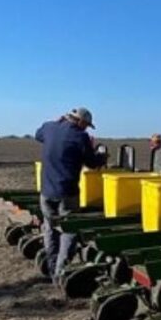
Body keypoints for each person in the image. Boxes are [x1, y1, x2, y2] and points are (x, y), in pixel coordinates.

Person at [34, 107, 105, 280]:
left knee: (50, 229)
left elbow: (38, 135)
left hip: (46, 191)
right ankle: (61, 273)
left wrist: (57, 122)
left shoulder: (49, 127)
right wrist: (102, 156)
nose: (86, 128)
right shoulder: (80, 136)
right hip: (67, 193)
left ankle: (52, 269)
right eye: (86, 125)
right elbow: (91, 163)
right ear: (79, 121)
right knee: (69, 231)